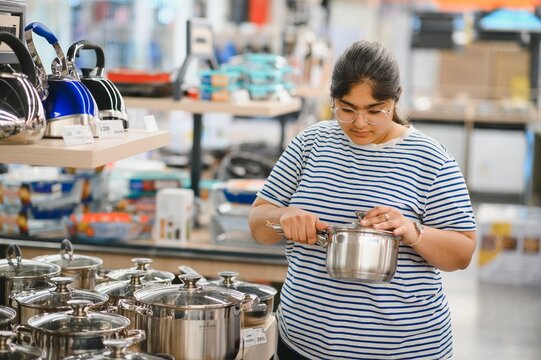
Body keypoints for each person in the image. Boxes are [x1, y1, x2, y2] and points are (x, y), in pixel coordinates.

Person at [249, 40, 476, 360]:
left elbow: (462, 252)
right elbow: (259, 224)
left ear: (396, 99)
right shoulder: (311, 143)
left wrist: (412, 231)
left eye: (374, 110)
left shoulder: (430, 159)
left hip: (403, 350)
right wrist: (284, 217)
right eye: (346, 108)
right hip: (302, 345)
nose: (359, 123)